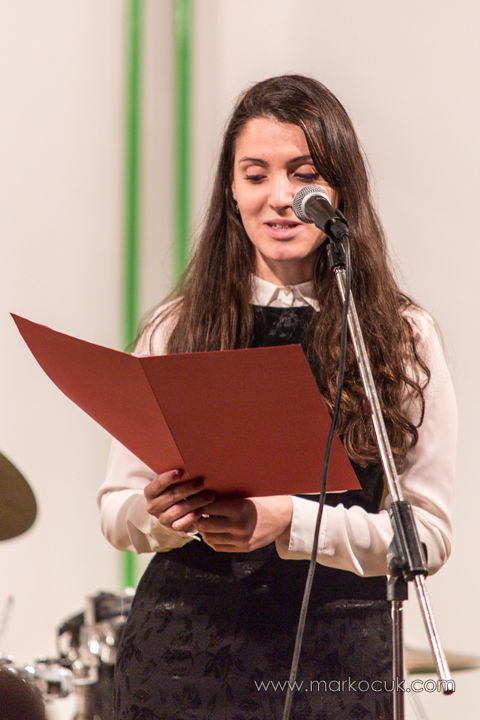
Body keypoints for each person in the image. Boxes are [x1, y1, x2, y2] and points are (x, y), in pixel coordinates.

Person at [97, 74, 456, 720]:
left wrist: (289, 521)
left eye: (304, 174)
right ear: (231, 191)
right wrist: (161, 515)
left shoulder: (400, 335)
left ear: (340, 191)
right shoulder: (177, 327)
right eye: (256, 175)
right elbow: (116, 512)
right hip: (182, 662)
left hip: (338, 666)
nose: (281, 198)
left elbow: (424, 538)